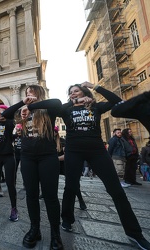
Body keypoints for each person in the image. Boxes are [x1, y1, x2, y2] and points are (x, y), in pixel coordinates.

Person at [59, 82, 150, 250]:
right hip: (74, 151)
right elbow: (55, 107)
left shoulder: (96, 107)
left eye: (76, 91)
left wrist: (96, 88)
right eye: (71, 92)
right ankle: (66, 219)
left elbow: (118, 102)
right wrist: (73, 103)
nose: (73, 93)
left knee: (116, 190)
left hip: (97, 151)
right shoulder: (66, 109)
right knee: (71, 187)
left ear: (84, 91)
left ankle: (134, 233)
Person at [2, 85, 63, 249]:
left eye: (32, 93)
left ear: (39, 95)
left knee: (50, 197)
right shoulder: (23, 112)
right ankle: (34, 229)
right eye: (27, 94)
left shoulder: (48, 110)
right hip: (28, 157)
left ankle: (55, 234)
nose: (29, 96)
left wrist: (31, 106)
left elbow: (57, 102)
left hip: (47, 157)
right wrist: (23, 104)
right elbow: (5, 114)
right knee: (31, 195)